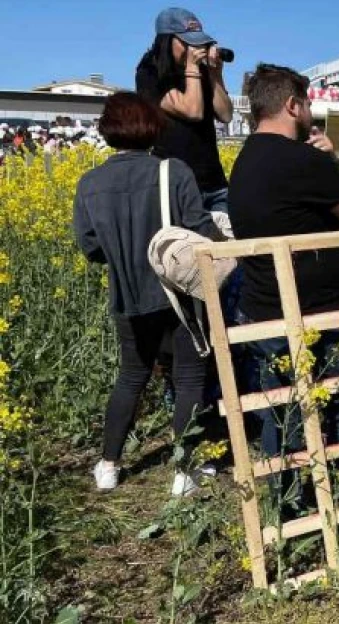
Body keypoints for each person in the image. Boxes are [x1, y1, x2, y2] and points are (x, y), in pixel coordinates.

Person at [228, 63, 339, 509]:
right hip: (322, 310)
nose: (310, 112)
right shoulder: (306, 161)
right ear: (292, 104)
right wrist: (327, 161)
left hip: (264, 309)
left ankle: (291, 505)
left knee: (285, 409)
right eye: (307, 103)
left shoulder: (243, 161)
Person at [73, 92, 225, 496]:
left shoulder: (90, 183)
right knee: (189, 376)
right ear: (153, 128)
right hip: (177, 295)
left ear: (108, 131)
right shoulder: (173, 172)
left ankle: (109, 466)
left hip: (127, 297)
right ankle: (185, 472)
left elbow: (90, 249)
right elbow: (200, 229)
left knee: (131, 376)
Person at [135, 7, 233, 212]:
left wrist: (215, 74)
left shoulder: (202, 70)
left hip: (214, 182)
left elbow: (225, 115)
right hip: (176, 185)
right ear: (167, 40)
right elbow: (193, 110)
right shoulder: (150, 72)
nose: (195, 48)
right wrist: (192, 68)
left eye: (199, 42)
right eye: (188, 42)